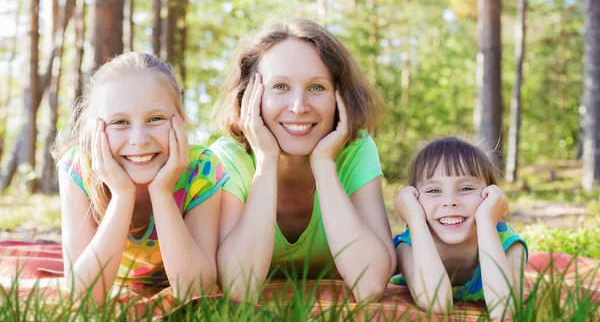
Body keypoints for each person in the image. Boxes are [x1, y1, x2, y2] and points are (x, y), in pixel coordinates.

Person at [210, 18, 396, 302]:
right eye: (280, 87)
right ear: (250, 97)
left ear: (340, 96)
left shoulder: (357, 151)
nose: (299, 107)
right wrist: (266, 161)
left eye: (317, 87)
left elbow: (370, 285)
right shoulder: (228, 158)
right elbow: (238, 289)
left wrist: (324, 164)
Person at [55, 52, 227, 304]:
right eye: (120, 122)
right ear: (94, 130)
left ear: (181, 121)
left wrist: (162, 193)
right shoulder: (78, 169)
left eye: (155, 119)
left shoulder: (201, 169)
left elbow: (196, 290)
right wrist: (122, 197)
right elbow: (84, 297)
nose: (139, 139)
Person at [392, 136, 528, 319]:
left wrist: (487, 223)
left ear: (490, 194)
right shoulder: (409, 246)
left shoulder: (509, 245)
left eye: (465, 188)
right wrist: (415, 219)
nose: (450, 202)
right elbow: (438, 304)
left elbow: (503, 312)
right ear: (414, 199)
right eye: (433, 191)